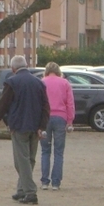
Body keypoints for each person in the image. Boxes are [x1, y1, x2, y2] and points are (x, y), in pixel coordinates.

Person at [0, 55, 50, 205]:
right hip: (35, 126)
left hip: (19, 125)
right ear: (26, 65)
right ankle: (21, 189)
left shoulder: (12, 82)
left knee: (21, 161)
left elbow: (3, 104)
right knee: (29, 159)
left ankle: (30, 192)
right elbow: (46, 106)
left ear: (13, 68)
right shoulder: (38, 83)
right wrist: (42, 126)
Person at [39, 62, 74, 190]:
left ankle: (44, 181)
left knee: (45, 151)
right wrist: (70, 121)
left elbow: (38, 102)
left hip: (45, 118)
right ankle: (56, 183)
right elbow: (70, 103)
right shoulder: (65, 83)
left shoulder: (42, 82)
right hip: (61, 117)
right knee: (59, 152)